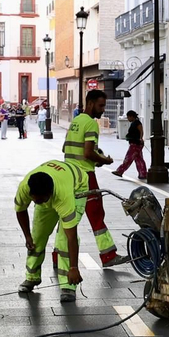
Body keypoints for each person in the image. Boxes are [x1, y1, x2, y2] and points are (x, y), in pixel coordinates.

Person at [62, 89, 128, 267]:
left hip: (69, 175)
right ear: (90, 103)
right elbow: (88, 152)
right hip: (85, 177)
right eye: (101, 105)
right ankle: (108, 256)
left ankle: (58, 257)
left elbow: (66, 149)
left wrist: (93, 157)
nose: (103, 109)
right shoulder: (91, 124)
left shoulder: (75, 121)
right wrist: (104, 160)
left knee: (69, 217)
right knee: (96, 213)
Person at [14, 159, 86, 303]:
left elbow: (71, 237)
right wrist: (27, 236)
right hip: (57, 178)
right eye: (36, 201)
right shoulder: (26, 187)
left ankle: (68, 285)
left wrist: (74, 267)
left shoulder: (64, 197)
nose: (39, 203)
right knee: (37, 236)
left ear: (50, 194)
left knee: (63, 239)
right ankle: (32, 277)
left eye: (41, 200)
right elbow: (20, 210)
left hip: (77, 186)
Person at [112, 110, 148, 180]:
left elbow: (141, 131)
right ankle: (143, 173)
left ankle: (120, 171)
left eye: (128, 117)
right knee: (139, 159)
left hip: (135, 143)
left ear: (132, 116)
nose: (128, 119)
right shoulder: (134, 122)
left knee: (129, 158)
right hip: (136, 143)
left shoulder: (137, 123)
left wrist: (141, 138)